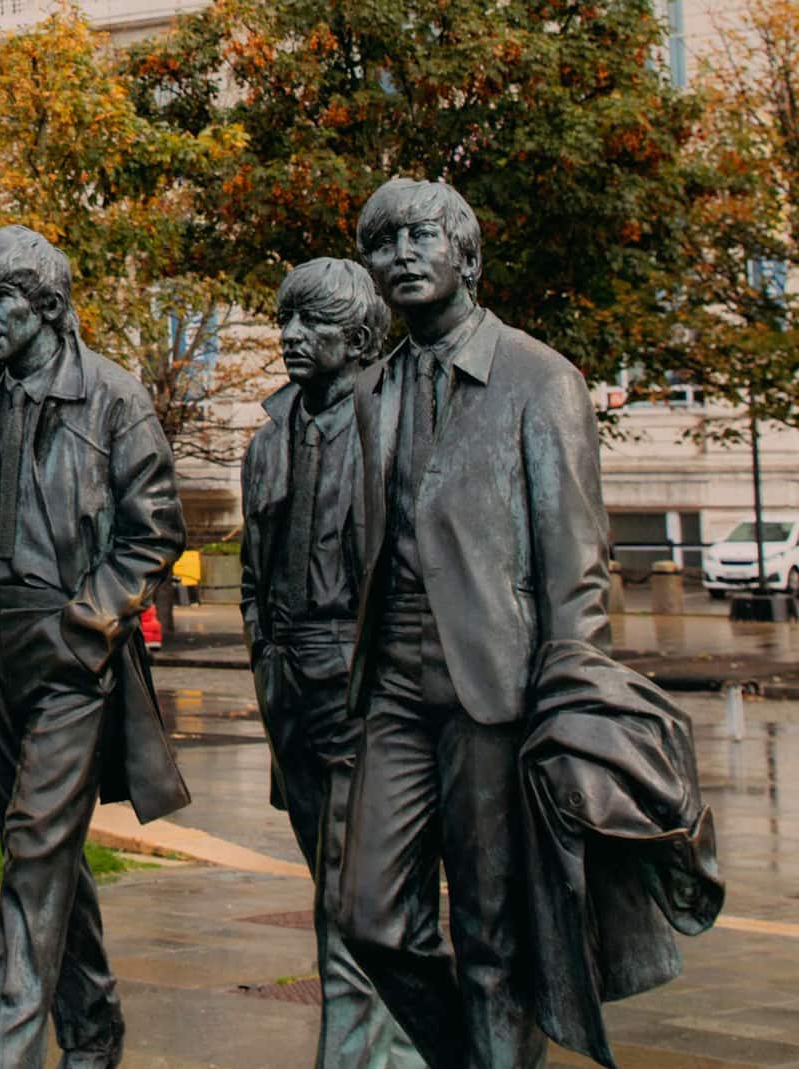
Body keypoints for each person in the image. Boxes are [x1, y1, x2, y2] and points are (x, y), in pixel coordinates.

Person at [338, 178, 613, 1069]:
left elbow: (577, 566)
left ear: (467, 254)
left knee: (493, 937)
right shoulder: (374, 388)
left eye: (424, 236)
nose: (404, 254)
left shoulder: (541, 380)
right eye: (385, 243)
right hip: (395, 686)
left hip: (498, 687)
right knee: (370, 917)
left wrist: (574, 703)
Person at [0, 225, 189, 1069]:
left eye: (0, 299)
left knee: (35, 858)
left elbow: (154, 530)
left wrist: (88, 625)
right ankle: (92, 1026)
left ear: (46, 304)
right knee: (40, 851)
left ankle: (2, 1054)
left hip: (70, 653)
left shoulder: (114, 397)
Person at [239, 258, 421, 1069]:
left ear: (356, 339)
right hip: (291, 685)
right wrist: (264, 651)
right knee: (339, 887)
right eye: (286, 321)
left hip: (366, 687)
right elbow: (252, 571)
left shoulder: (398, 425)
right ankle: (411, 1044)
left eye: (310, 324)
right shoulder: (269, 437)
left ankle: (353, 1054)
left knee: (354, 894)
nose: (289, 337)